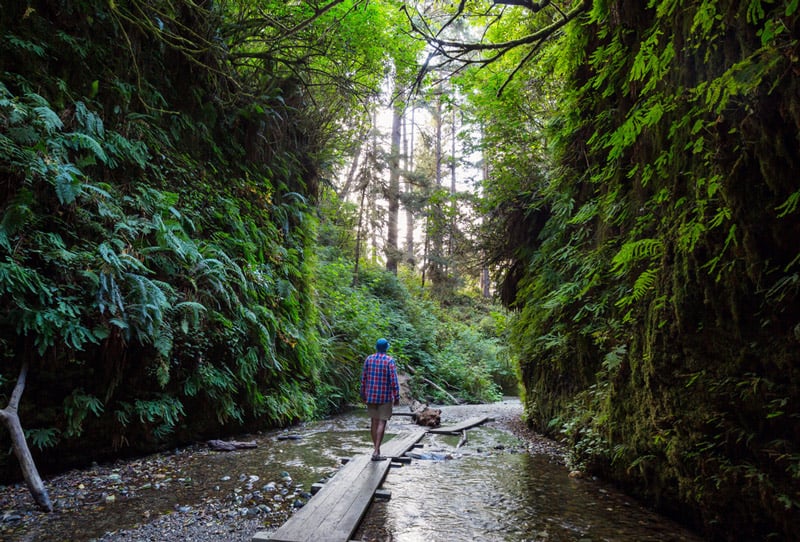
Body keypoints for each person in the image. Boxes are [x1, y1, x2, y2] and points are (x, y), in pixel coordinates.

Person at [360, 338, 400, 461]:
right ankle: (377, 451)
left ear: (376, 347)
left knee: (374, 421)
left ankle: (375, 449)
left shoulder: (369, 359)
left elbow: (364, 378)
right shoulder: (389, 361)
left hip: (371, 396)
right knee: (382, 422)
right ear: (386, 348)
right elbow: (393, 380)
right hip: (385, 396)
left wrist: (362, 394)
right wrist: (396, 396)